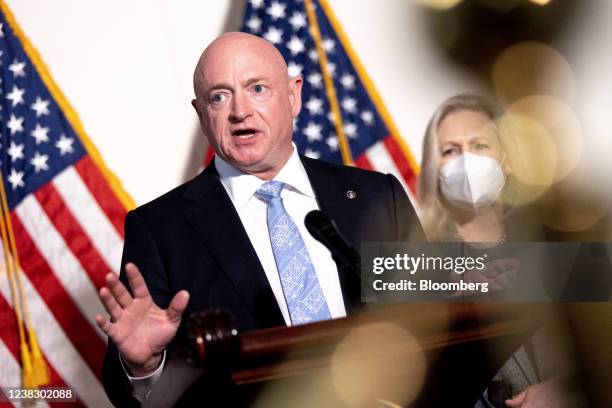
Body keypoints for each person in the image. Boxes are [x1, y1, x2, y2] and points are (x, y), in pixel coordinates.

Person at [97, 32, 423, 406]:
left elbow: (446, 324)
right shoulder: (159, 229)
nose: (240, 112)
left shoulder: (377, 197)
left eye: (257, 88)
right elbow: (130, 392)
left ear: (293, 95)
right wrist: (144, 366)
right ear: (201, 113)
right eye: (219, 96)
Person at [418, 94, 580, 407]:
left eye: (480, 145)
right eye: (450, 150)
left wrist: (565, 389)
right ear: (434, 169)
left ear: (505, 158)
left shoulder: (553, 239)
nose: (467, 161)